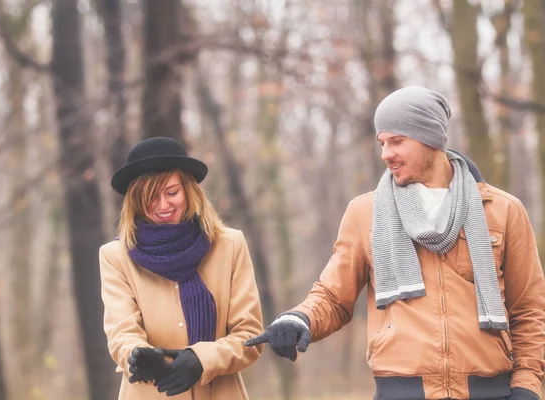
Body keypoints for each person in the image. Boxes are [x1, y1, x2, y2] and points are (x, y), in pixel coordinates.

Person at [246, 86, 545, 400]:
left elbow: (528, 310)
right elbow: (333, 297)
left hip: (490, 391)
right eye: (382, 142)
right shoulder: (365, 213)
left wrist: (527, 385)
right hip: (401, 392)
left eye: (397, 141)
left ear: (431, 138)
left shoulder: (502, 210)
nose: (386, 153)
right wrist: (299, 319)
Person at [100, 137, 264, 399]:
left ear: (189, 191)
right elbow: (122, 334)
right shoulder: (115, 256)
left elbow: (250, 335)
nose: (163, 205)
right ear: (134, 201)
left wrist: (203, 359)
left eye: (172, 192)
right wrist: (138, 355)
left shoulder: (230, 245)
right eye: (150, 197)